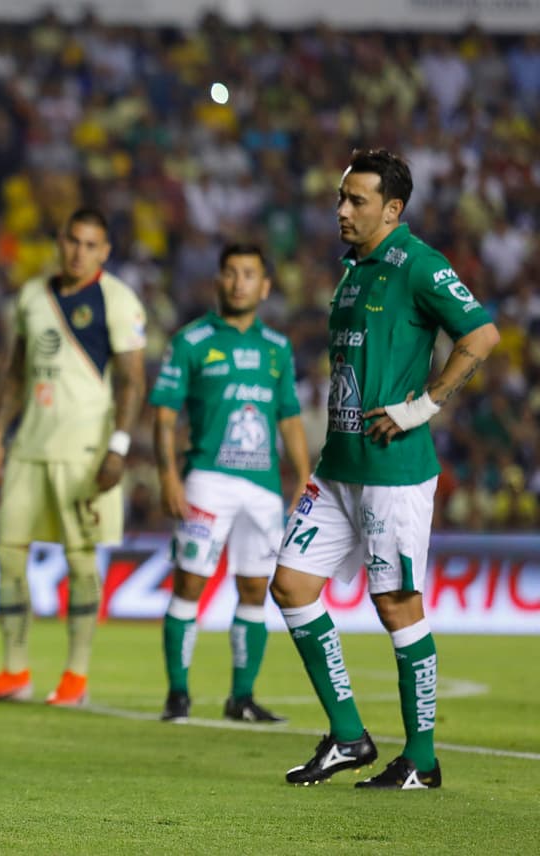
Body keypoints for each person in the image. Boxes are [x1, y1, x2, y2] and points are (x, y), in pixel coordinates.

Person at [271, 149, 499, 789]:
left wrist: (422, 405)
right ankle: (349, 737)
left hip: (392, 472)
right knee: (290, 586)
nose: (342, 209)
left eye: (357, 200)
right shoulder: (355, 269)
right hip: (337, 466)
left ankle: (421, 762)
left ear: (392, 209)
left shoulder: (418, 264)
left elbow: (481, 336)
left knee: (396, 605)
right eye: (342, 198)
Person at [0, 208, 147, 707]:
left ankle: (76, 678)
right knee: (8, 553)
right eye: (72, 241)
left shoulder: (117, 299)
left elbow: (133, 379)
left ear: (105, 252)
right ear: (59, 242)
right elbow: (16, 371)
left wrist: (119, 447)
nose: (78, 252)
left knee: (81, 560)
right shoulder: (31, 296)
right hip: (30, 446)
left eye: (91, 245)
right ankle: (14, 671)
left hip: (85, 449)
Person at [149, 242, 310, 723]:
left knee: (256, 589)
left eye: (249, 274)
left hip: (262, 487)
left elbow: (290, 418)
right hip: (207, 480)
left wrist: (303, 476)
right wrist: (169, 476)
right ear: (218, 281)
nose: (239, 282)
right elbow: (163, 416)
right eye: (231, 273)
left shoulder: (277, 348)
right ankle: (178, 693)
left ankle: (241, 698)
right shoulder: (192, 341)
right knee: (190, 582)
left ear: (264, 287)